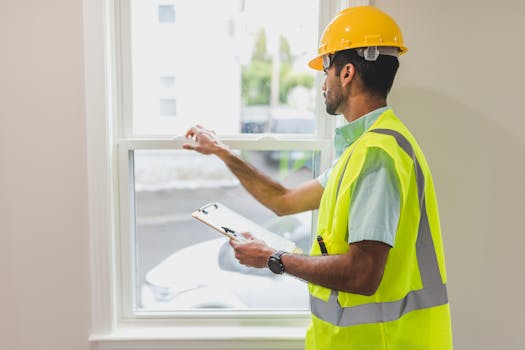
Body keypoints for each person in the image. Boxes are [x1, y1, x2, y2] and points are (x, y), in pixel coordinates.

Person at [183, 6, 452, 349]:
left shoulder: (377, 156)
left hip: (381, 343)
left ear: (347, 73)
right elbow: (284, 201)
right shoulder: (364, 151)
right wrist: (222, 152)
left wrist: (273, 258)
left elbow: (362, 273)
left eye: (325, 71)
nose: (322, 84)